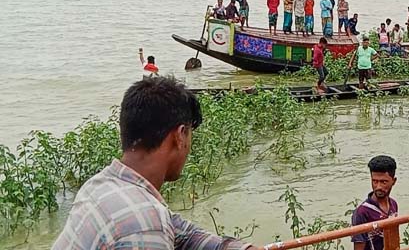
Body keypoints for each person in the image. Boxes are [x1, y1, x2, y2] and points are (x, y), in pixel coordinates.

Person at [52, 77, 258, 250]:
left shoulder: (101, 184)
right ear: (180, 136)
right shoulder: (142, 226)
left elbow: (178, 230)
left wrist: (235, 247)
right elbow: (149, 227)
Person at [351, 155, 399, 250]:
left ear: (393, 181)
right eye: (375, 181)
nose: (378, 187)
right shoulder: (362, 212)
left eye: (383, 182)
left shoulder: (393, 204)